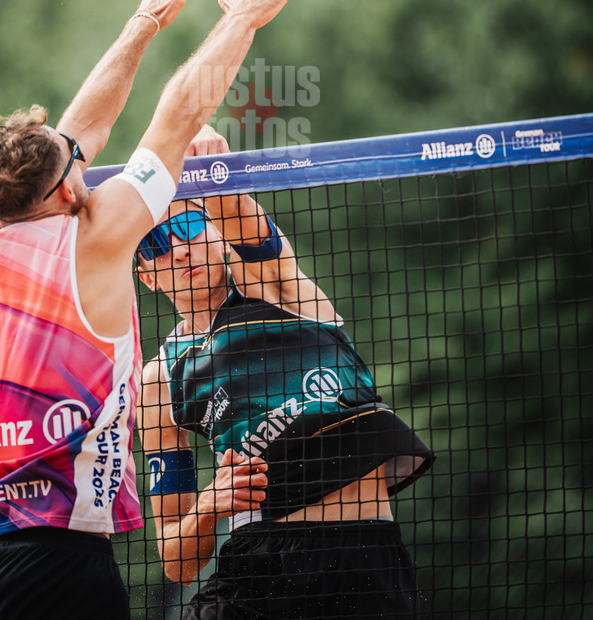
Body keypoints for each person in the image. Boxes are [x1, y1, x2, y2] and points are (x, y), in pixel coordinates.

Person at [0, 0, 320, 620]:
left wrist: (141, 25)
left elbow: (81, 127)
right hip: (54, 567)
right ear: (63, 193)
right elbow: (179, 114)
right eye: (76, 164)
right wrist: (240, 18)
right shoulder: (94, 239)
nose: (85, 156)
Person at [136, 127, 435, 620]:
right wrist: (210, 505)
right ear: (146, 276)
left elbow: (242, 219)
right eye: (157, 245)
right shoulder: (159, 379)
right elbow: (176, 562)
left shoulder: (280, 291)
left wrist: (211, 169)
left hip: (363, 560)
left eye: (189, 228)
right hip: (257, 564)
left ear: (217, 234)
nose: (180, 251)